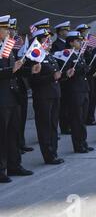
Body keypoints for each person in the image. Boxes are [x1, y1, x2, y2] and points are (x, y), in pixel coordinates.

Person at [0, 15, 33, 183]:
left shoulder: (8, 47)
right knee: (2, 136)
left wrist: (30, 70)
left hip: (12, 97)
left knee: (13, 133)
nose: (8, 32)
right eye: (5, 29)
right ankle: (1, 170)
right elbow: (6, 71)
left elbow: (16, 70)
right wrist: (12, 70)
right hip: (2, 99)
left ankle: (14, 165)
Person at [28, 29, 65, 165]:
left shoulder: (49, 56)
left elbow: (56, 76)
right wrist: (51, 77)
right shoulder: (34, 57)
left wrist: (65, 75)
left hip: (55, 94)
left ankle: (54, 152)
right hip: (43, 97)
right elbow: (33, 81)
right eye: (45, 39)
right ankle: (48, 155)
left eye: (49, 39)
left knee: (54, 125)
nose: (48, 41)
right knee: (45, 126)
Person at [62, 31, 94, 153]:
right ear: (71, 42)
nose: (81, 42)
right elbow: (67, 73)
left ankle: (83, 142)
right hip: (74, 91)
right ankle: (78, 145)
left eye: (81, 40)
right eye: (77, 41)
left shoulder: (79, 54)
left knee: (83, 119)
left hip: (84, 89)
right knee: (76, 120)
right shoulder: (67, 55)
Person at [10, 18, 34, 154]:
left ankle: (21, 142)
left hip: (21, 84)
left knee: (22, 116)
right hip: (11, 85)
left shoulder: (18, 44)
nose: (12, 31)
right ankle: (15, 146)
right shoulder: (5, 47)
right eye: (10, 29)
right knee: (14, 119)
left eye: (14, 29)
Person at [52, 21, 72, 135]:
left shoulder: (68, 44)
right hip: (61, 77)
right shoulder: (56, 45)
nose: (68, 32)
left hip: (69, 76)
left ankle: (68, 124)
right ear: (60, 32)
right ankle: (64, 126)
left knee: (68, 103)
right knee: (63, 104)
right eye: (66, 30)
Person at [77, 24, 96, 126]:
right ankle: (86, 118)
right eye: (84, 31)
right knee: (86, 98)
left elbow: (94, 55)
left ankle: (91, 117)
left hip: (91, 74)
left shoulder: (90, 43)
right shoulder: (79, 45)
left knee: (93, 96)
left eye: (87, 31)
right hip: (83, 73)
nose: (86, 33)